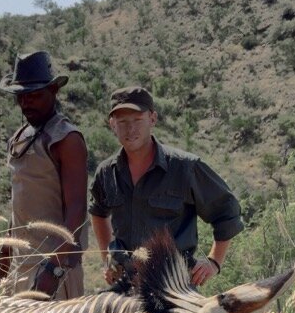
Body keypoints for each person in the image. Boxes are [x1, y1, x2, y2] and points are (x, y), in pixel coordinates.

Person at [89, 86, 244, 288]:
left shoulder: (185, 167)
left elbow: (227, 212)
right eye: (123, 122)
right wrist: (107, 259)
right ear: (112, 125)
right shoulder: (107, 172)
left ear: (152, 119)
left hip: (174, 286)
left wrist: (214, 261)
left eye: (137, 120)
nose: (130, 129)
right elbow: (98, 213)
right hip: (125, 284)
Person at [0, 51, 88, 300]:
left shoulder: (66, 139)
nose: (27, 103)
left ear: (53, 90)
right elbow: (19, 204)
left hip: (54, 268)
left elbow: (77, 208)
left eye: (34, 95)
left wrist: (54, 268)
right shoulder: (19, 138)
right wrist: (5, 253)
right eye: (21, 97)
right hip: (21, 264)